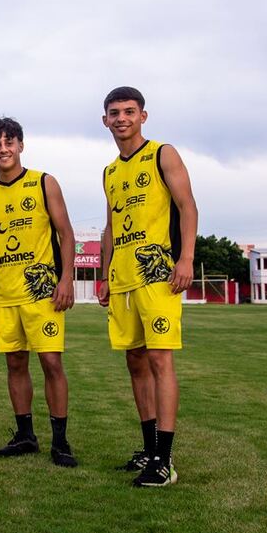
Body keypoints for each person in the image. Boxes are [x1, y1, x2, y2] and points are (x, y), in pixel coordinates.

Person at [97, 86, 197, 487]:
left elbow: (188, 205)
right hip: (123, 279)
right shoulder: (110, 171)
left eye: (129, 111)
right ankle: (150, 449)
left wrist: (186, 258)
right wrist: (104, 273)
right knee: (135, 362)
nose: (122, 118)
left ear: (143, 116)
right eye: (114, 113)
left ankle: (166, 461)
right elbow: (109, 227)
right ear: (105, 120)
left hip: (158, 275)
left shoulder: (162, 154)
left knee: (160, 361)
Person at [0, 117, 78, 468]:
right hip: (5, 294)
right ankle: (25, 435)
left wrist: (66, 280)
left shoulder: (44, 183)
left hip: (42, 292)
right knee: (15, 364)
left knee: (50, 362)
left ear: (20, 145)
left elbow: (66, 233)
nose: (3, 149)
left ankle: (60, 441)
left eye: (9, 142)